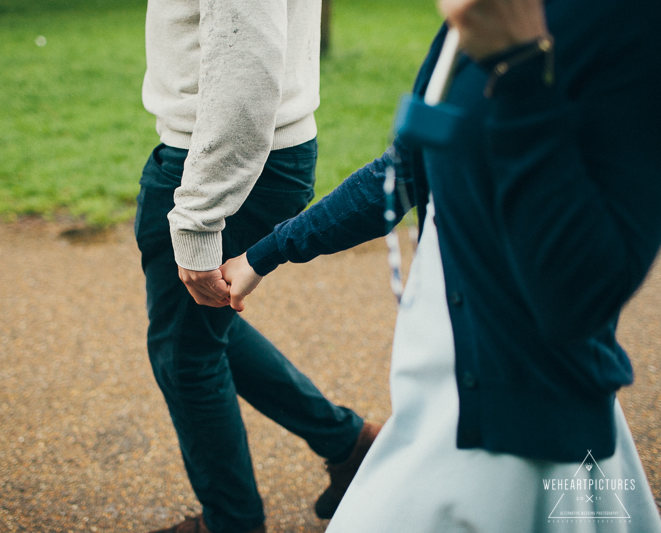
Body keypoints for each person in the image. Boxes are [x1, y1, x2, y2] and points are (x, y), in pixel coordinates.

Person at [218, 0, 661, 530]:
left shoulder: (627, 21)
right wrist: (265, 254)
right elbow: (405, 170)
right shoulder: (475, 14)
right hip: (431, 399)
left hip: (516, 429)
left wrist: (520, 65)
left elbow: (583, 294)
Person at [135, 1, 381, 532]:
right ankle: (349, 443)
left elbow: (245, 63)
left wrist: (199, 218)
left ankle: (233, 523)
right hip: (242, 153)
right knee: (197, 331)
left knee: (186, 357)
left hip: (226, 160)